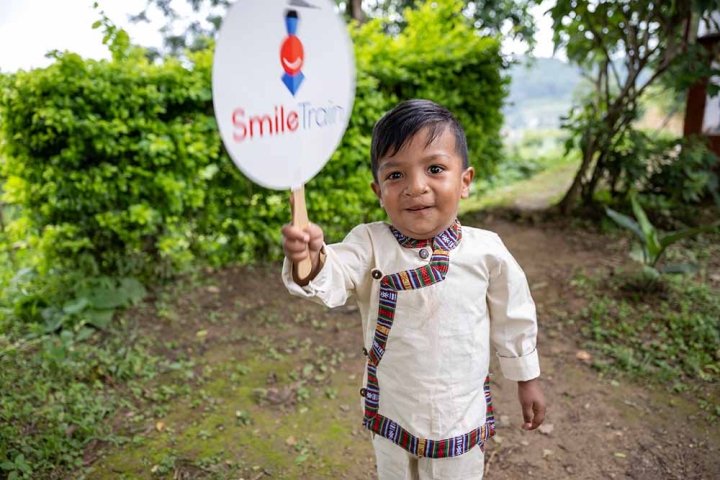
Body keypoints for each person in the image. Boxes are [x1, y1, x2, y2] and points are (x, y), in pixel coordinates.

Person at [281, 99, 545, 479]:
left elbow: (513, 317)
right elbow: (333, 275)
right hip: (394, 406)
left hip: (459, 411)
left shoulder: (487, 251)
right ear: (378, 190)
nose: (415, 187)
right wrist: (310, 258)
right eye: (395, 176)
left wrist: (527, 378)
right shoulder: (369, 243)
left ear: (465, 181)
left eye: (435, 169)